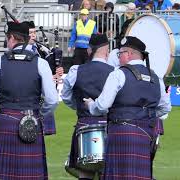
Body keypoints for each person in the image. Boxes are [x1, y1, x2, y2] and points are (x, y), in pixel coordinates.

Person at [84, 36, 171, 180]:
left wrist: (91, 106)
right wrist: (145, 115)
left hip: (121, 131)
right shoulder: (156, 77)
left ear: (129, 54)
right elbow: (165, 108)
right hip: (146, 133)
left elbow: (103, 105)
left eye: (120, 54)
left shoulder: (118, 74)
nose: (118, 58)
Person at [0, 21, 58, 180]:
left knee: (3, 175)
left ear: (11, 38)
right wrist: (39, 114)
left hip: (5, 121)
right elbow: (52, 100)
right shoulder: (41, 63)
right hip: (32, 120)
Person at [61, 34, 114, 180]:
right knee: (107, 171)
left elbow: (66, 96)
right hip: (108, 125)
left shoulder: (76, 70)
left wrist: (79, 107)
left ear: (89, 50)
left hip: (84, 123)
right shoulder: (115, 73)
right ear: (107, 51)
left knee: (85, 170)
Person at [23, 20, 64, 135]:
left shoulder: (42, 49)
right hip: (31, 97)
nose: (32, 35)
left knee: (40, 135)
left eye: (34, 32)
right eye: (30, 33)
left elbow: (48, 66)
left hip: (43, 96)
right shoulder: (22, 52)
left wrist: (58, 70)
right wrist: (50, 78)